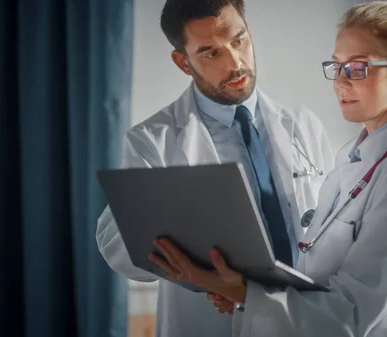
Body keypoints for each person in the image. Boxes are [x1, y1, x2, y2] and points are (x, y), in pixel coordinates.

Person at [148, 1, 387, 336]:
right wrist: (249, 295)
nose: (340, 83)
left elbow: (350, 311)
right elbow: (320, 284)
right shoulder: (353, 160)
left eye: (358, 69)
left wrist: (243, 293)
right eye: (336, 66)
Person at [95, 0, 334, 336]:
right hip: (212, 323)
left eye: (238, 41)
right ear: (183, 62)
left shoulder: (304, 125)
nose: (235, 63)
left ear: (249, 31)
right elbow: (116, 246)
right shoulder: (153, 140)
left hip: (305, 321)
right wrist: (181, 219)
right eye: (211, 53)